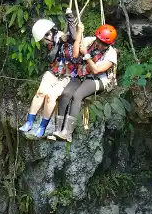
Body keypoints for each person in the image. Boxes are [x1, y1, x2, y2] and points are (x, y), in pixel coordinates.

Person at [49, 23, 117, 142]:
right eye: (99, 41)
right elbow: (75, 55)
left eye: (104, 44)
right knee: (65, 94)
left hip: (99, 79)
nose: (100, 45)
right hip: (82, 74)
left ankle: (67, 133)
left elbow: (96, 70)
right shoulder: (90, 42)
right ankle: (58, 130)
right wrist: (79, 32)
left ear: (109, 44)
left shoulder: (111, 54)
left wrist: (86, 55)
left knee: (77, 95)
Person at [18, 8, 78, 137]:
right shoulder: (53, 43)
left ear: (48, 34)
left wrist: (70, 18)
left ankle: (42, 126)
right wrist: (59, 43)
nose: (43, 42)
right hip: (54, 72)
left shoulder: (64, 36)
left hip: (66, 75)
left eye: (43, 39)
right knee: (40, 93)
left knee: (51, 97)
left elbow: (73, 37)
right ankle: (29, 122)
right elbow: (51, 58)